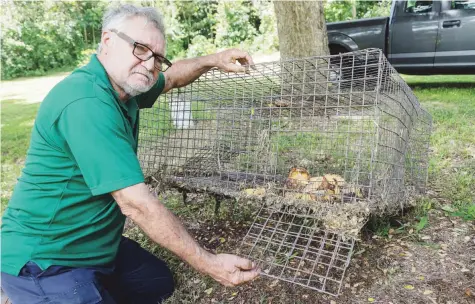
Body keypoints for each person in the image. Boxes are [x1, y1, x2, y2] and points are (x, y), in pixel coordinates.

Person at [1, 4, 259, 303]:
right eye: (140, 49)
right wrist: (209, 263)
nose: (150, 64)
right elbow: (137, 205)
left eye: (158, 57)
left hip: (95, 244)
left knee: (156, 282)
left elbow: (172, 77)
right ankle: (30, 293)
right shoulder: (85, 102)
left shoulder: (123, 86)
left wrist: (213, 60)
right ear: (108, 41)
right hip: (47, 258)